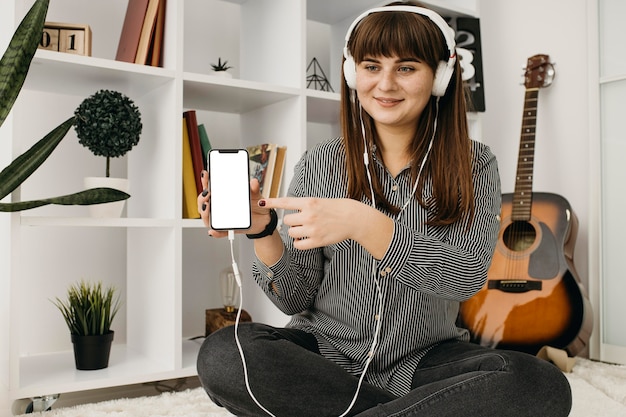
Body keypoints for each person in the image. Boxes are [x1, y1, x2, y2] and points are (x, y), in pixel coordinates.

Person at [196, 2, 572, 416]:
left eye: (406, 68)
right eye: (371, 66)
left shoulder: (474, 164)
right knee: (224, 354)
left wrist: (365, 223)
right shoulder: (319, 164)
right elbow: (294, 298)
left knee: (541, 384)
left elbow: (464, 279)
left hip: (426, 361)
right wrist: (262, 232)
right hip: (323, 356)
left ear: (440, 77)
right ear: (351, 74)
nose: (385, 84)